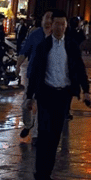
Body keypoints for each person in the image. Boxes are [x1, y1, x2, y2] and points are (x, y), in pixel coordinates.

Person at [25, 10, 91, 180]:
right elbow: (35, 72)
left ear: (66, 26)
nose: (60, 27)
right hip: (46, 93)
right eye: (57, 24)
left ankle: (47, 173)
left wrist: (86, 90)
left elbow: (79, 68)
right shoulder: (44, 46)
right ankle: (39, 175)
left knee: (55, 135)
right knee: (44, 133)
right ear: (51, 25)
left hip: (63, 95)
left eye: (63, 24)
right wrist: (29, 96)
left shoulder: (70, 46)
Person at [18, 11, 53, 140]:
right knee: (26, 104)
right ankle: (28, 124)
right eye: (46, 18)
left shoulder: (58, 36)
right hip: (33, 74)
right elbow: (25, 51)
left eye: (50, 19)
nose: (48, 22)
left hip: (49, 77)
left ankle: (36, 135)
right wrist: (17, 66)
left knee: (42, 106)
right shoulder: (35, 34)